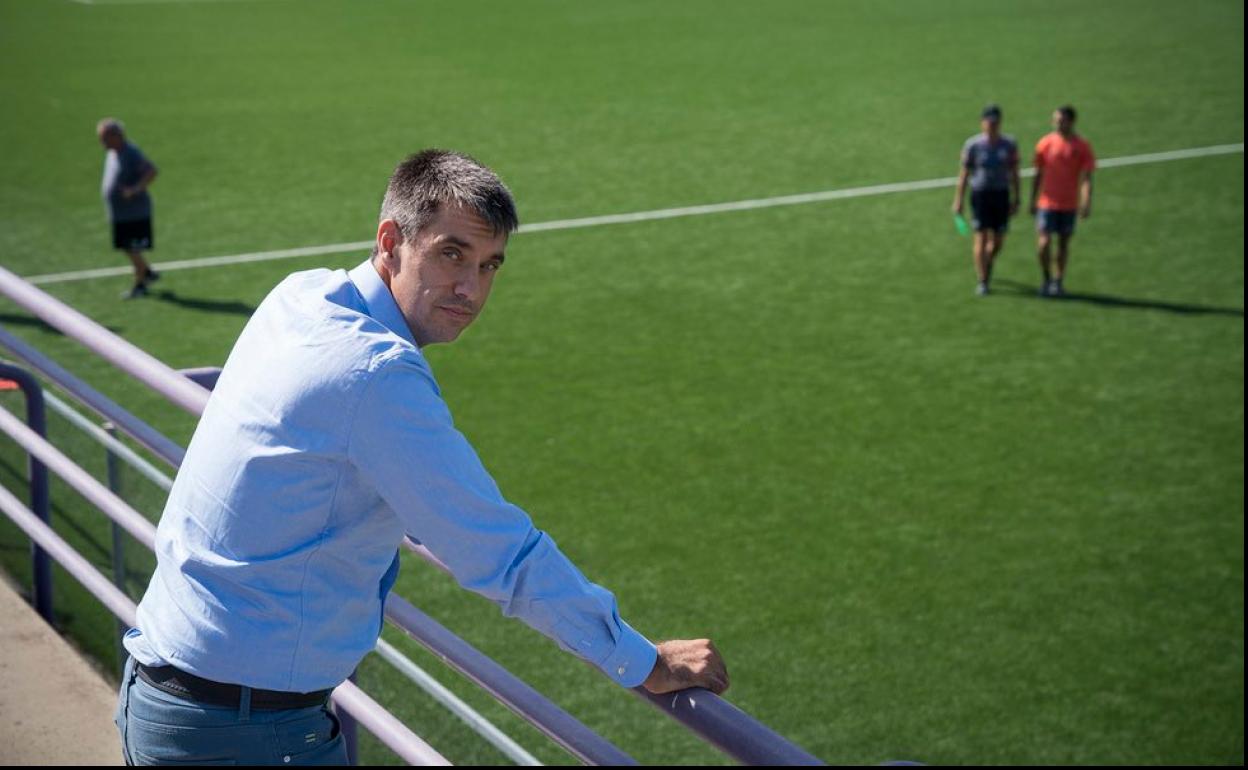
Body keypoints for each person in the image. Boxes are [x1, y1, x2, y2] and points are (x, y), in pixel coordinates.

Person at [114, 150, 729, 765]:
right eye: (452, 254)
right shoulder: (375, 374)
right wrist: (644, 660)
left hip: (167, 692)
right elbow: (502, 554)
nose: (471, 289)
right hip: (242, 731)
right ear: (390, 242)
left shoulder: (300, 296)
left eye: (490, 266)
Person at [952, 104, 1020, 296]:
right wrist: (958, 200)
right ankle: (983, 280)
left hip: (1001, 195)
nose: (992, 126)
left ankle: (986, 261)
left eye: (995, 122)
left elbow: (1014, 173)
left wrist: (1017, 197)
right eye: (989, 122)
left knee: (998, 241)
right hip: (980, 195)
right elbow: (964, 174)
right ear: (983, 123)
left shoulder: (1009, 145)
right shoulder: (973, 145)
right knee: (980, 236)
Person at [1030, 105, 1096, 297]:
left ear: (1071, 122)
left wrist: (1086, 202)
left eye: (1061, 120)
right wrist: (1033, 200)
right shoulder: (1045, 144)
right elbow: (1037, 173)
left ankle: (1058, 281)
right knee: (1043, 244)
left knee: (1063, 245)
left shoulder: (1082, 147)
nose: (1057, 123)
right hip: (1046, 203)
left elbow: (1086, 178)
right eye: (1055, 120)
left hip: (1068, 204)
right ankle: (1046, 278)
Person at [98, 118, 161, 299]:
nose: (102, 142)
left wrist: (134, 190)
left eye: (104, 138)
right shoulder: (114, 152)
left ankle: (141, 283)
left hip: (134, 213)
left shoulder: (130, 153)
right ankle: (147, 272)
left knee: (132, 249)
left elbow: (151, 171)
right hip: (121, 214)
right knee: (128, 248)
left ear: (116, 136)